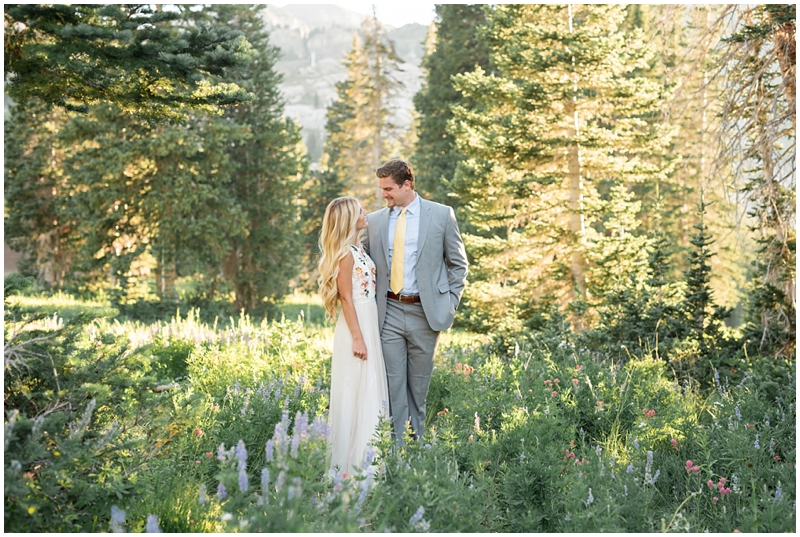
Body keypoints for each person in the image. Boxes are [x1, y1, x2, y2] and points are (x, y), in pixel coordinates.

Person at [363, 159, 468, 443]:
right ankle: (396, 454)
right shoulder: (374, 221)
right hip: (389, 312)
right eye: (382, 188)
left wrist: (449, 303)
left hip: (426, 313)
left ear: (407, 185)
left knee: (418, 389)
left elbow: (459, 265)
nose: (383, 195)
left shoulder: (442, 215)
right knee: (393, 387)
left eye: (388, 189)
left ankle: (416, 448)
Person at [317, 196, 389, 475]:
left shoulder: (358, 248)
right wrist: (358, 338)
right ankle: (352, 469)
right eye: (360, 210)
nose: (366, 212)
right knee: (355, 391)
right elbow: (346, 298)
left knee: (368, 389)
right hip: (355, 325)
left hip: (367, 319)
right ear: (349, 219)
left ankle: (370, 462)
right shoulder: (345, 254)